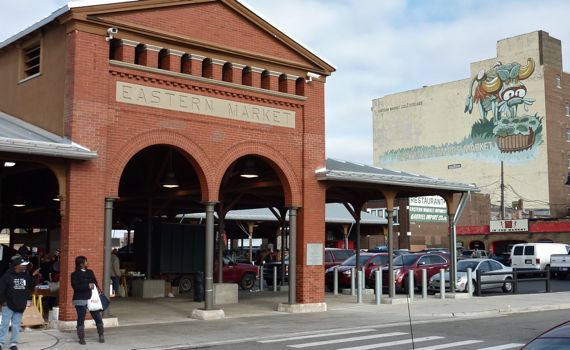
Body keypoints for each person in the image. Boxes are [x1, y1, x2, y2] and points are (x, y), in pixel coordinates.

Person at [0, 256, 38, 350]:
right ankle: (0, 342)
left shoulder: (25, 275)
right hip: (8, 305)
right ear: (17, 266)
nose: (25, 267)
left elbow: (31, 285)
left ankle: (13, 343)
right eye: (23, 265)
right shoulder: (7, 276)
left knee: (16, 325)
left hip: (20, 304)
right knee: (4, 324)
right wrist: (2, 302)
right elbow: (1, 290)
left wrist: (33, 275)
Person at [71, 256, 104, 345]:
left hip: (92, 299)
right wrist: (87, 286)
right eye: (86, 262)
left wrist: (98, 288)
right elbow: (76, 287)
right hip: (80, 299)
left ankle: (101, 335)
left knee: (97, 317)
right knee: (81, 318)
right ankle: (81, 338)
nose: (87, 263)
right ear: (81, 264)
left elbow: (95, 282)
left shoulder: (90, 272)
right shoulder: (74, 274)